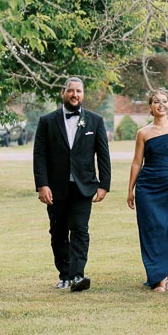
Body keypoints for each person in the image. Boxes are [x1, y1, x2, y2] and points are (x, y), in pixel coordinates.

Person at [32, 76, 111, 292]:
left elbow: (103, 154)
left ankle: (77, 276)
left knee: (80, 230)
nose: (75, 95)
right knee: (58, 232)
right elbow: (39, 156)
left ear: (83, 94)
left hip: (83, 186)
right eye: (71, 91)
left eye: (79, 91)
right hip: (55, 188)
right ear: (63, 93)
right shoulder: (47, 121)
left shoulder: (95, 121)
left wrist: (104, 184)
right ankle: (64, 275)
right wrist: (42, 185)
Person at [126, 89, 168, 292]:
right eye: (156, 102)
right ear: (150, 107)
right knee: (149, 231)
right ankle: (155, 275)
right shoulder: (143, 133)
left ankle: (164, 275)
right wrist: (130, 190)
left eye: (164, 101)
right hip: (146, 188)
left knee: (165, 230)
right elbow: (136, 163)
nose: (161, 105)